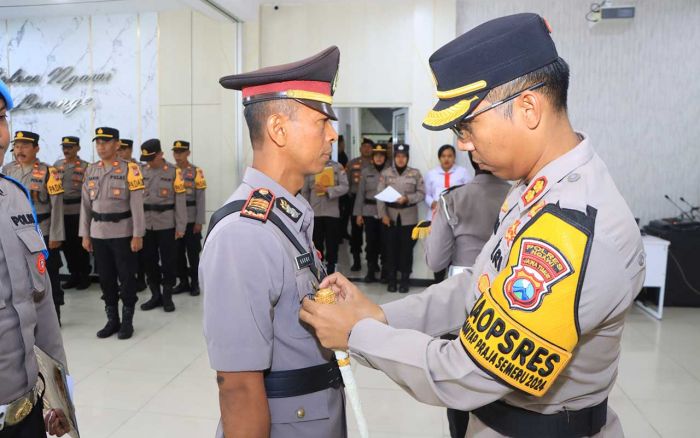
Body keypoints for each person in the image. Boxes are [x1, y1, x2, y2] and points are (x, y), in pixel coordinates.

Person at [300, 13, 646, 437]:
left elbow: (466, 371)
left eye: (467, 125)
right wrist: (380, 316)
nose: (462, 143)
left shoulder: (570, 227)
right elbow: (475, 286)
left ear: (528, 108)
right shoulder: (533, 189)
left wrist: (357, 333)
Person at [201, 46, 346, 438]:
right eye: (321, 122)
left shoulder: (287, 215)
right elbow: (239, 388)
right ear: (279, 130)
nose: (332, 134)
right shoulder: (244, 233)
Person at [0, 79, 70, 438]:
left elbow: (40, 308)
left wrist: (58, 396)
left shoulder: (14, 196)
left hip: (27, 411)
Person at [424, 152, 510, 438]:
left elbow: (435, 261)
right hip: (510, 301)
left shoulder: (453, 199)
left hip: (462, 304)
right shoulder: (521, 198)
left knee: (460, 382)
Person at [80, 127, 145, 340]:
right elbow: (86, 205)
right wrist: (85, 234)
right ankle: (112, 320)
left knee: (126, 278)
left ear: (117, 144)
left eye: (106, 142)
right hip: (99, 233)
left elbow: (137, 204)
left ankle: (127, 321)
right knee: (106, 279)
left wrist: (138, 234)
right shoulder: (91, 170)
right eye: (98, 143)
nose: (101, 147)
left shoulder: (130, 169)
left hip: (123, 232)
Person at [2, 130, 65, 322]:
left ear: (36, 148)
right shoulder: (7, 170)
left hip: (42, 231)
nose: (20, 150)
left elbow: (57, 206)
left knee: (48, 274)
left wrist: (56, 235)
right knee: (19, 274)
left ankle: (54, 313)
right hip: (13, 233)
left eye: (25, 146)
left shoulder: (48, 171)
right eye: (17, 146)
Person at [138, 139, 187, 312]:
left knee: (168, 261)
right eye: (146, 159)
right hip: (146, 225)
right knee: (148, 262)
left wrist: (181, 227)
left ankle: (167, 296)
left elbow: (180, 201)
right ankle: (155, 295)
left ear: (160, 154)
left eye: (152, 158)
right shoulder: (140, 171)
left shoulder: (174, 172)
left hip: (167, 224)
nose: (149, 162)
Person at [376, 143, 425, 292]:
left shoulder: (415, 173)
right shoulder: (386, 173)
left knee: (406, 251)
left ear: (407, 158)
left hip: (409, 218)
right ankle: (392, 280)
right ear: (394, 157)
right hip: (390, 217)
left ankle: (404, 280)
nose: (400, 159)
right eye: (398, 156)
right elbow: (379, 197)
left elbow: (422, 193)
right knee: (390, 250)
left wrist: (408, 198)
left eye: (403, 157)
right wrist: (382, 215)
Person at [424, 144, 472, 281]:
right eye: (444, 156)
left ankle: (451, 285)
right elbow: (426, 194)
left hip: (457, 218)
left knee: (454, 250)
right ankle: (437, 283)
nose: (446, 159)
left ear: (454, 158)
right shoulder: (431, 174)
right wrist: (431, 202)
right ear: (439, 158)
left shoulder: (462, 172)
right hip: (436, 216)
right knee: (437, 249)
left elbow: (469, 193)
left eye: (450, 156)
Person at [55, 136, 92, 291]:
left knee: (80, 246)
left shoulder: (86, 167)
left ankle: (84, 276)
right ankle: (73, 275)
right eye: (64, 146)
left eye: (70, 146)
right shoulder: (57, 166)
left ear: (78, 148)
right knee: (67, 246)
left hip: (78, 212)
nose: (66, 150)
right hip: (62, 212)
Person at [172, 140, 207, 296]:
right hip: (174, 220)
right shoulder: (170, 171)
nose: (177, 155)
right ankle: (183, 282)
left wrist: (199, 221)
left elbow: (200, 198)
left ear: (188, 153)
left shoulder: (196, 172)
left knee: (193, 254)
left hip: (191, 219)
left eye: (181, 152)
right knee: (177, 254)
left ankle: (195, 283)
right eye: (175, 152)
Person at [302, 159, 349, 274]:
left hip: (331, 212)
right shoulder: (310, 166)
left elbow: (345, 187)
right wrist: (306, 210)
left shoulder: (338, 167)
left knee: (332, 242)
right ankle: (318, 268)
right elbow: (305, 192)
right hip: (315, 212)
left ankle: (332, 267)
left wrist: (327, 190)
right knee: (316, 242)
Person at [353, 142, 388, 282]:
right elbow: (360, 194)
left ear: (385, 158)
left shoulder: (389, 172)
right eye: (376, 156)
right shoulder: (366, 172)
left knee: (385, 243)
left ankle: (385, 271)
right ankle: (371, 271)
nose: (379, 158)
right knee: (371, 243)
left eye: (382, 156)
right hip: (368, 211)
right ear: (372, 158)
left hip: (385, 212)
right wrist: (358, 214)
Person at [117, 138, 147, 292]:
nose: (120, 152)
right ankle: (125, 282)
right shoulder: (117, 169)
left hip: (139, 216)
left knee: (139, 252)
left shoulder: (140, 167)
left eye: (123, 149)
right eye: (119, 149)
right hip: (122, 219)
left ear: (130, 150)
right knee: (123, 254)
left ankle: (140, 280)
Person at [345, 138, 373, 271]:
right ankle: (356, 259)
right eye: (365, 147)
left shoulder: (377, 163)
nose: (367, 149)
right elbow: (347, 183)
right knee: (356, 232)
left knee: (371, 232)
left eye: (369, 147)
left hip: (371, 202)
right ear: (360, 148)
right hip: (354, 199)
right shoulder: (352, 164)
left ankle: (371, 261)